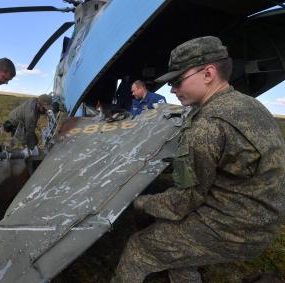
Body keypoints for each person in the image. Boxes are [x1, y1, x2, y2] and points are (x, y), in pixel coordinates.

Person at [111, 36, 285, 282]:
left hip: (235, 228)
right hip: (262, 219)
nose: (172, 90)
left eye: (177, 81)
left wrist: (139, 202)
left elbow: (183, 200)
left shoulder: (207, 126)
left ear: (208, 73)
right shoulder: (250, 105)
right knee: (175, 253)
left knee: (140, 247)